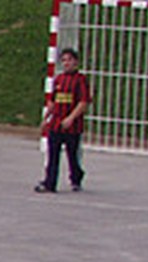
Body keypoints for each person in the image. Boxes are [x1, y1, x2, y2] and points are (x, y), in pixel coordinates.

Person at [35, 48, 91, 193]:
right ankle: (50, 183)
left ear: (76, 62)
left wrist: (71, 118)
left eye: (70, 60)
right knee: (52, 154)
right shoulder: (59, 80)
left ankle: (76, 177)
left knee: (72, 155)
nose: (67, 63)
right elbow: (53, 101)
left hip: (72, 127)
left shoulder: (80, 80)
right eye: (64, 60)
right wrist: (46, 118)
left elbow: (83, 102)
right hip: (57, 124)